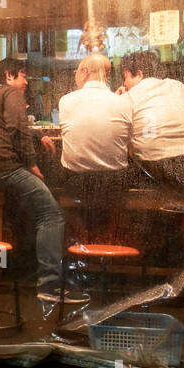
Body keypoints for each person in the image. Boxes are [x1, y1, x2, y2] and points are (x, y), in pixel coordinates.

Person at [0, 57, 64, 305]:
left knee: (24, 214)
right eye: (22, 75)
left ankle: (15, 270)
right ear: (9, 76)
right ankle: (49, 286)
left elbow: (14, 127)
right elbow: (16, 130)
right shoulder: (10, 93)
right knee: (51, 215)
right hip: (5, 167)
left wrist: (38, 134)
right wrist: (32, 164)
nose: (25, 82)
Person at [121, 50, 184, 202]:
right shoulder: (179, 86)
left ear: (138, 73)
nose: (124, 84)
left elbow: (119, 135)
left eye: (125, 77)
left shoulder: (128, 97)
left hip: (156, 168)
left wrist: (118, 98)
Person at [58, 53, 132, 242]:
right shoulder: (124, 102)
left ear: (83, 71)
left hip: (76, 182)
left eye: (77, 71)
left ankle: (78, 241)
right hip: (113, 184)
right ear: (106, 75)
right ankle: (108, 242)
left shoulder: (66, 101)